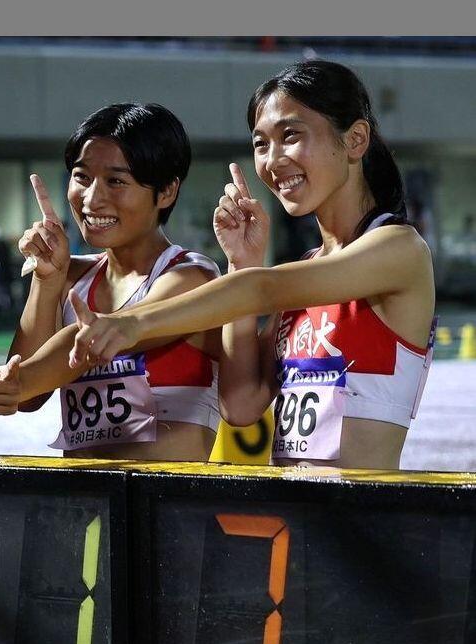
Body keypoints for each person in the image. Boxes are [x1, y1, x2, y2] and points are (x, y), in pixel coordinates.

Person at [65, 60, 436, 470]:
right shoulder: (310, 270)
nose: (273, 161)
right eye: (261, 144)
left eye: (290, 135)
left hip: (359, 519)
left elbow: (263, 289)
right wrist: (241, 264)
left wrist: (133, 323)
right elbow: (240, 405)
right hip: (292, 513)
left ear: (355, 139)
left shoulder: (399, 249)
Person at [0, 103, 222, 460]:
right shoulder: (71, 275)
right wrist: (47, 281)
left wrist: (20, 380)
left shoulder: (191, 277)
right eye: (82, 177)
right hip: (87, 503)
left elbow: (104, 334)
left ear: (166, 191)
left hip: (165, 502)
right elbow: (27, 400)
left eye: (116, 181)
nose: (92, 199)